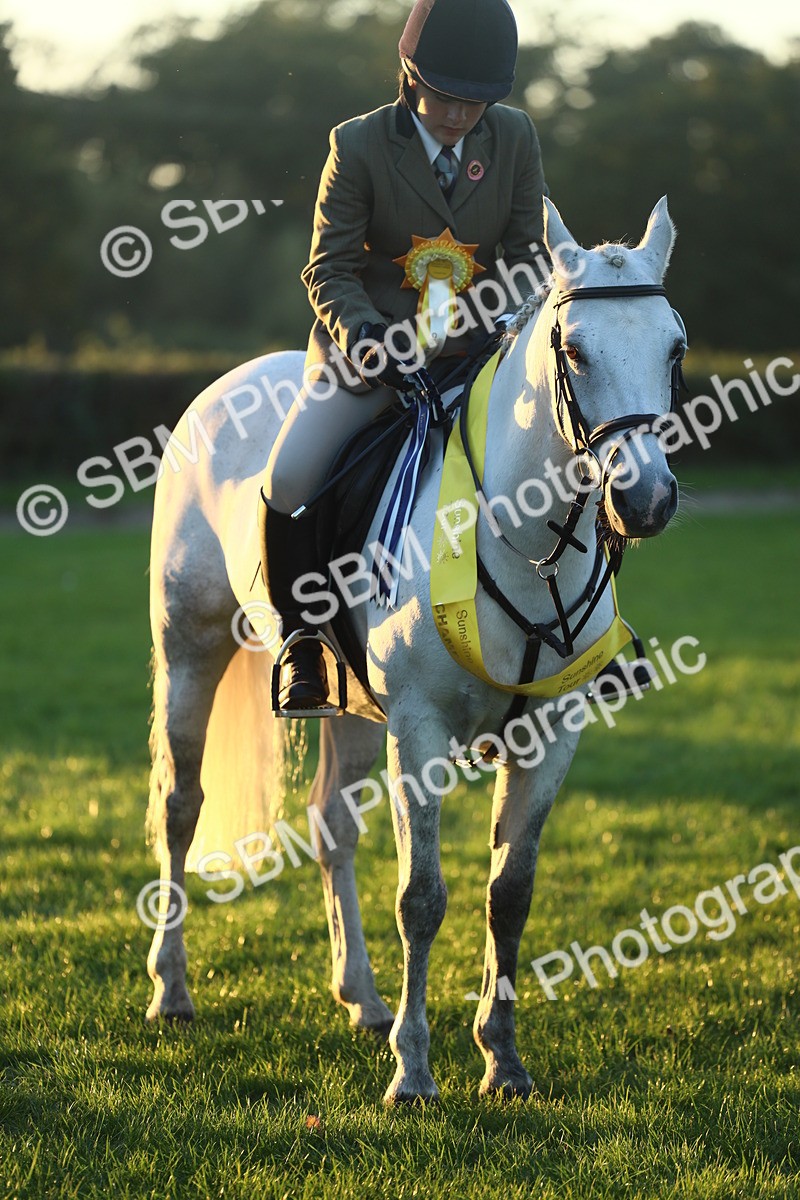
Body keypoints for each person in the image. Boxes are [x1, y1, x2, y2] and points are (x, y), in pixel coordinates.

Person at [260, 0, 551, 713]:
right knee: (290, 474)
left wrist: (505, 319)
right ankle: (305, 643)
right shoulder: (358, 144)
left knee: (572, 453)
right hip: (374, 358)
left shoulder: (512, 138)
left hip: (481, 354)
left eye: (475, 104)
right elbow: (328, 268)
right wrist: (369, 341)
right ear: (410, 76)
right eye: (447, 100)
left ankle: (587, 633)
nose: (459, 118)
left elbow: (528, 258)